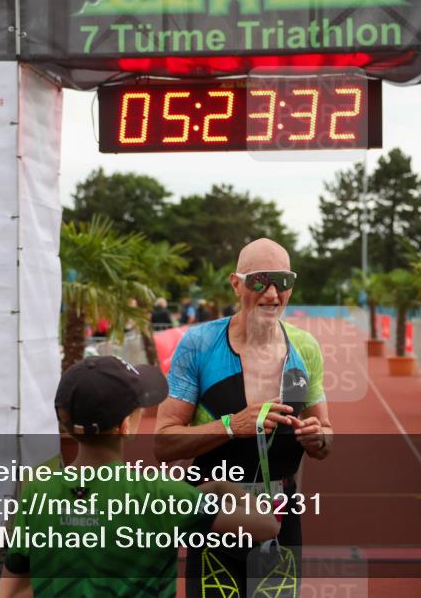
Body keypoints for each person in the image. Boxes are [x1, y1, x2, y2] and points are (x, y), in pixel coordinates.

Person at [0, 355, 278, 598]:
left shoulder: (38, 492)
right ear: (125, 426)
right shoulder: (161, 494)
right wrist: (222, 488)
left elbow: (12, 590)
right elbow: (267, 526)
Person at [155, 238, 332, 598]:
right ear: (236, 284)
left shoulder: (306, 348)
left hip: (280, 516)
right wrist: (231, 426)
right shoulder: (200, 344)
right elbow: (164, 442)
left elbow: (326, 435)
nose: (271, 294)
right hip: (214, 511)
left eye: (282, 281)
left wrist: (319, 438)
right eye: (258, 281)